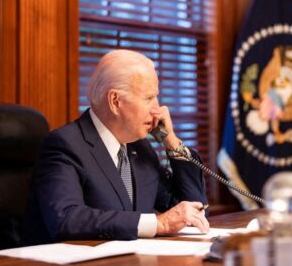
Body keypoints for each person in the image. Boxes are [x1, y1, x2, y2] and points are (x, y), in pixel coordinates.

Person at [23, 49, 209, 243]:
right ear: (115, 101)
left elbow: (191, 210)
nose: (158, 110)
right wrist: (158, 224)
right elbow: (66, 219)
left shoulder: (140, 149)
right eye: (148, 98)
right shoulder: (65, 145)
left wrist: (171, 142)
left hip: (128, 265)